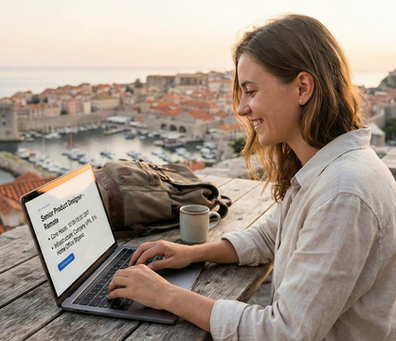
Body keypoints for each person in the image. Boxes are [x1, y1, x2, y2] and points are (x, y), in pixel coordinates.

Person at [108, 14, 396, 340]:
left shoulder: (343, 194)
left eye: (250, 91)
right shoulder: (328, 169)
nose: (242, 108)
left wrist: (167, 295)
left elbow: (283, 332)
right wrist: (192, 253)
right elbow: (272, 237)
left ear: (303, 88)